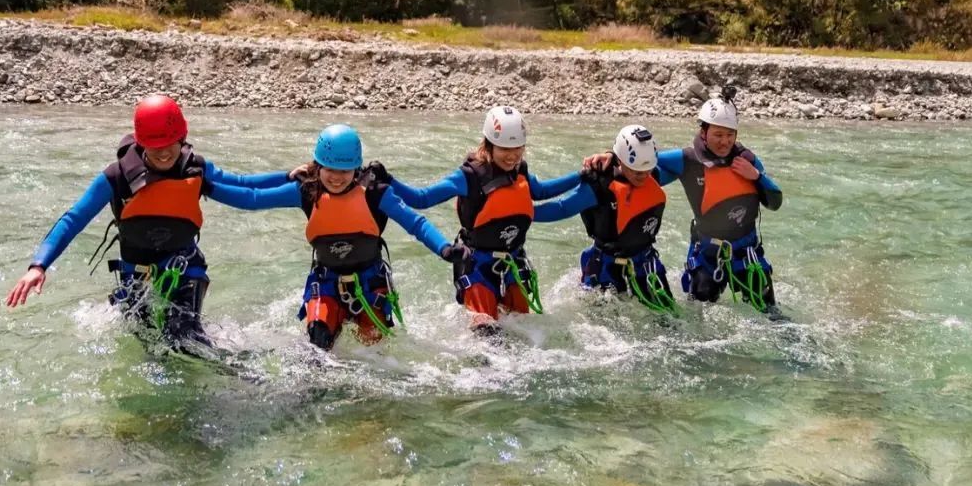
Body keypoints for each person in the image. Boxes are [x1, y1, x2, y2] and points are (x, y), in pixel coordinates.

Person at [5, 94, 298, 359]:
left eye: (169, 144)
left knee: (183, 339)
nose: (163, 153)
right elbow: (74, 218)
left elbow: (245, 188)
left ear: (182, 137)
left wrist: (288, 177)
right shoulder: (116, 177)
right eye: (154, 146)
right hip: (136, 275)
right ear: (141, 142)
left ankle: (234, 374)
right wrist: (39, 265)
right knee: (147, 347)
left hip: (185, 267)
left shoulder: (195, 169)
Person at [214, 124, 466, 351]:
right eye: (330, 169)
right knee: (317, 344)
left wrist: (444, 248)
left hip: (370, 284)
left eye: (345, 170)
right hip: (326, 283)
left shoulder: (376, 194)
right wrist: (207, 186)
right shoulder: (305, 192)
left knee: (375, 353)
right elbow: (252, 199)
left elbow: (416, 224)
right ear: (318, 166)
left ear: (356, 168)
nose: (336, 177)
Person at [371, 106, 580, 336]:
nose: (512, 155)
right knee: (487, 334)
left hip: (513, 264)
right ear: (489, 144)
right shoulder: (468, 176)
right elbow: (421, 199)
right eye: (504, 148)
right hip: (477, 266)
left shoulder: (519, 170)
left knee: (523, 332)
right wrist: (388, 179)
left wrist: (581, 176)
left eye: (517, 148)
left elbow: (541, 192)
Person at [658, 88, 785, 318]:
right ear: (703, 132)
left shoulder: (747, 160)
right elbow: (640, 161)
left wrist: (756, 175)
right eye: (718, 135)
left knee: (772, 315)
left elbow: (775, 202)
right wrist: (609, 155)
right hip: (708, 255)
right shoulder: (687, 160)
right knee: (699, 317)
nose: (724, 141)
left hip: (747, 252)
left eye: (730, 135)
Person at [532, 125, 678, 314]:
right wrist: (522, 212)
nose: (643, 176)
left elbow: (690, 160)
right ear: (620, 162)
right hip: (606, 266)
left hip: (645, 263)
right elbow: (562, 208)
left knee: (668, 319)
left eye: (648, 169)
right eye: (636, 171)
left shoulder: (653, 176)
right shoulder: (599, 187)